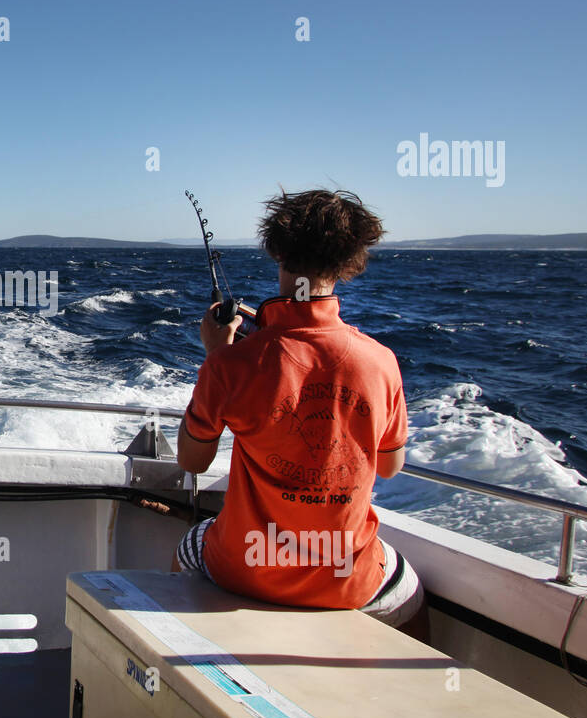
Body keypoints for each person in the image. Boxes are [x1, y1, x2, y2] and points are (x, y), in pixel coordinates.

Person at [173, 188, 426, 637]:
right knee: (413, 592)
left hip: (244, 570)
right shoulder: (381, 361)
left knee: (187, 549)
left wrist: (216, 356)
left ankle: (188, 656)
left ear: (276, 252)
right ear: (349, 264)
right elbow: (389, 467)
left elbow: (193, 462)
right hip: (346, 578)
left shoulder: (230, 364)